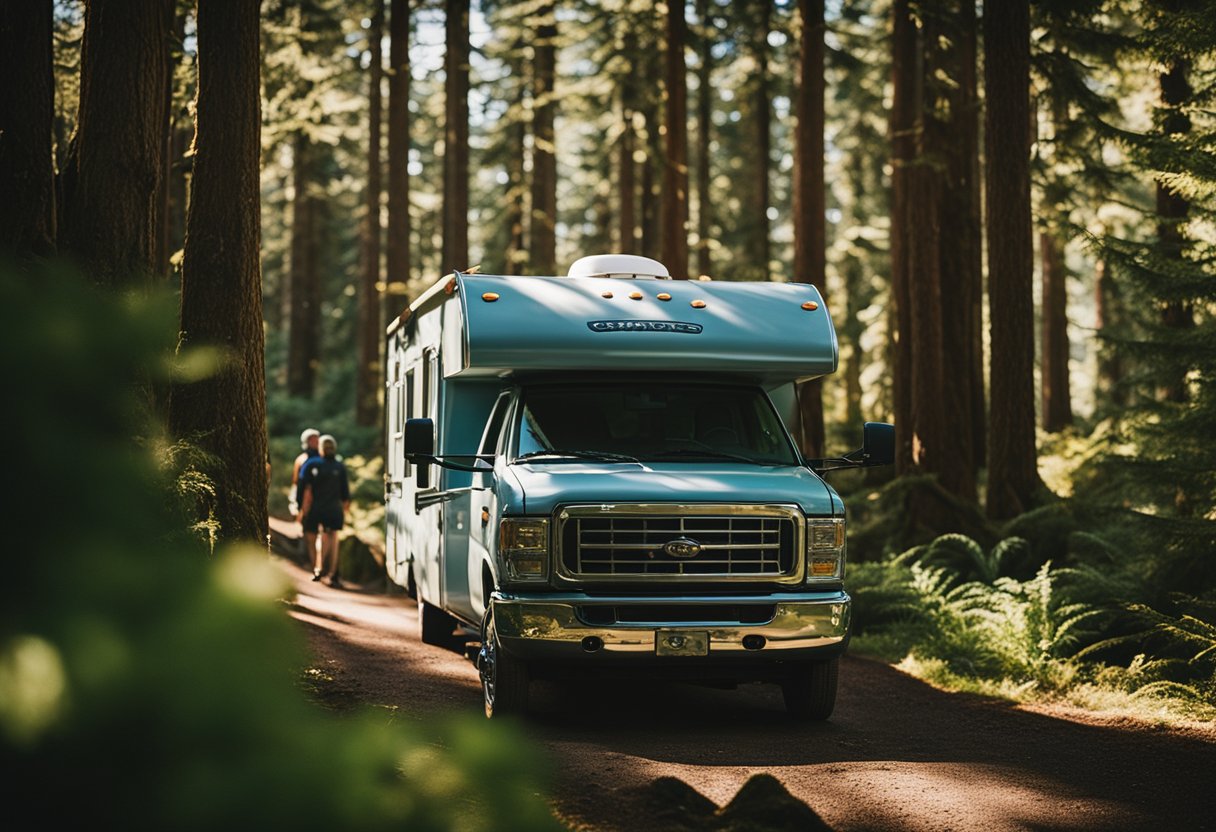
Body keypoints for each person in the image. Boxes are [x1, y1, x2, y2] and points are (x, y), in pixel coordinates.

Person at [297, 434, 350, 587]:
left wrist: (302, 508)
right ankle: (331, 572)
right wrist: (345, 509)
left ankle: (318, 568)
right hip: (334, 509)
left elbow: (304, 488)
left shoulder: (311, 464)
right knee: (332, 537)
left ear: (320, 448)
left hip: (316, 508)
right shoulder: (339, 466)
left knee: (313, 537)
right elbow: (345, 494)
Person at [290, 428, 321, 564]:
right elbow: (296, 482)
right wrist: (297, 503)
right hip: (306, 500)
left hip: (321, 500)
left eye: (317, 439)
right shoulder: (301, 460)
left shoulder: (323, 458)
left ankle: (318, 563)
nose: (316, 442)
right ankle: (309, 559)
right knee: (307, 531)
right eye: (313, 440)